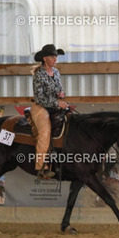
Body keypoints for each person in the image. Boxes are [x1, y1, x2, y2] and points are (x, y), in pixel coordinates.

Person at [31, 44, 70, 180]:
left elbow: (59, 89)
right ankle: (41, 167)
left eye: (56, 57)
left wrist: (62, 94)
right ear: (45, 58)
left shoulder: (56, 72)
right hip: (40, 107)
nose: (55, 59)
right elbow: (40, 98)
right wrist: (57, 103)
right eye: (52, 57)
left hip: (55, 105)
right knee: (45, 131)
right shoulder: (39, 74)